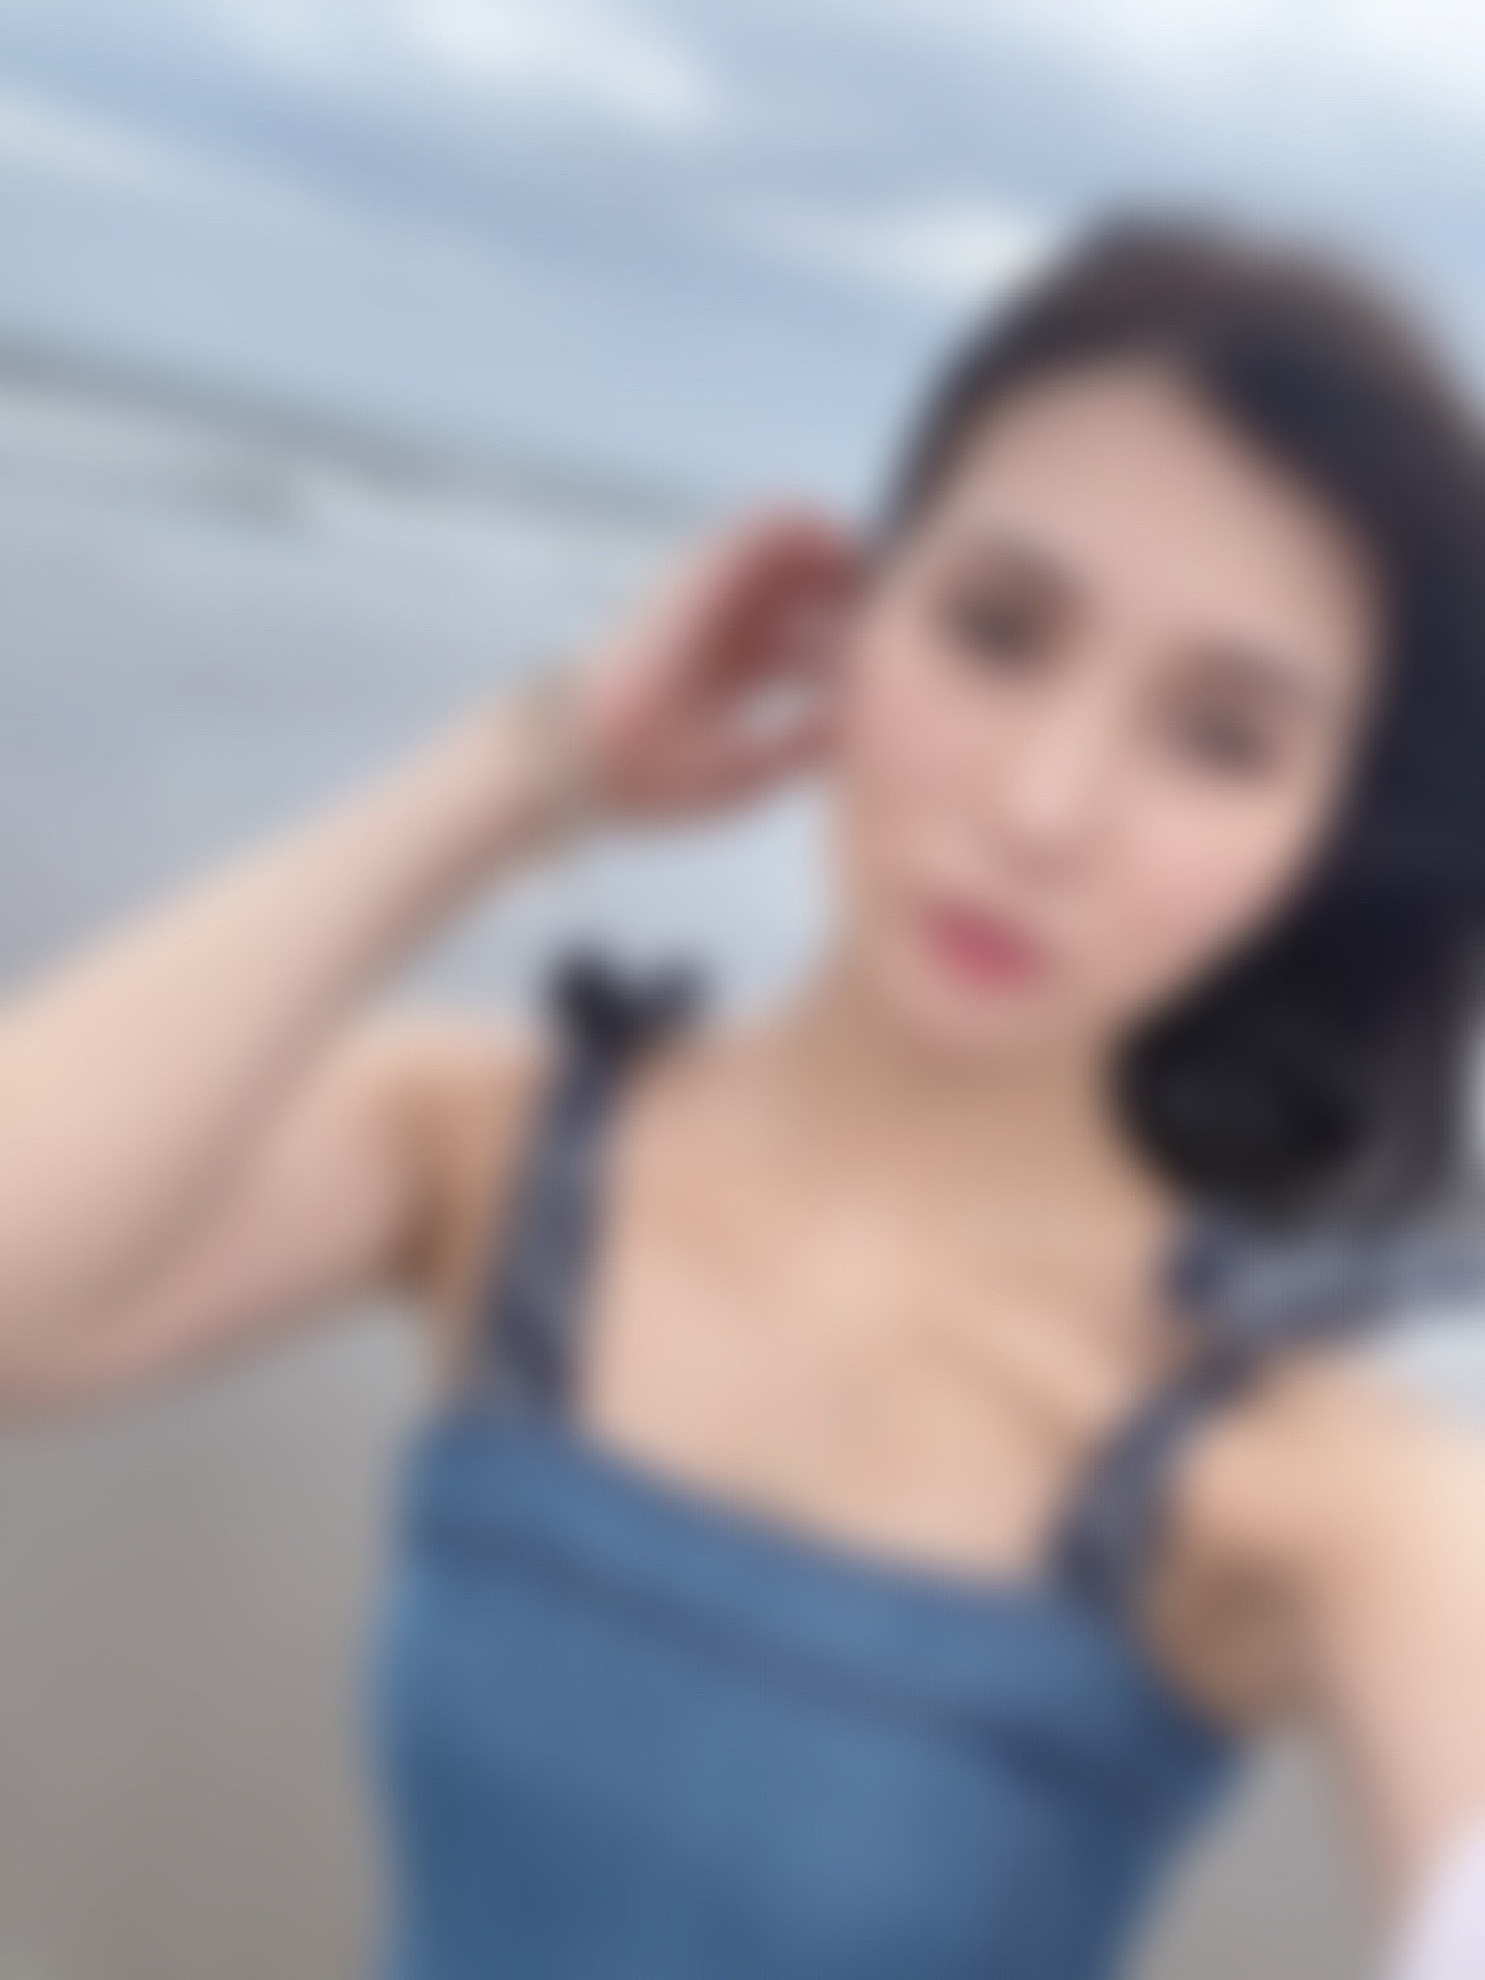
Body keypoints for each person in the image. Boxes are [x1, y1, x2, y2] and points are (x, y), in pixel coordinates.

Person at [6, 213, 1485, 1980]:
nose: (1044, 805)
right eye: (997, 630)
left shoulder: (1303, 1490)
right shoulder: (488, 1154)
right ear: (859, 618)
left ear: (1320, 841)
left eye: (1221, 738)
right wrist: (529, 768)